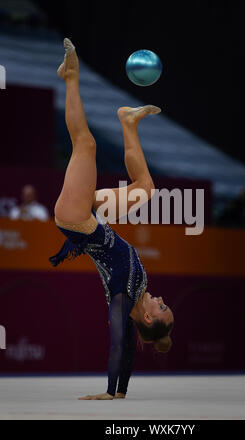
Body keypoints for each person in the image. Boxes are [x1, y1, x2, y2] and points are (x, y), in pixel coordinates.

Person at [50, 39, 174, 401]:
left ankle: (70, 75)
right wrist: (121, 394)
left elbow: (119, 345)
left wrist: (107, 392)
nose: (161, 298)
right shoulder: (140, 289)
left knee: (85, 144)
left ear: (148, 318)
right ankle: (128, 120)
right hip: (93, 218)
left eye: (161, 306)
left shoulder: (122, 295)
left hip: (75, 219)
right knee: (145, 187)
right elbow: (132, 350)